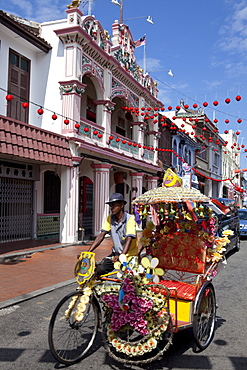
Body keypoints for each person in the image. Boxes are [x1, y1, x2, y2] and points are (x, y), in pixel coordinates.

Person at [88, 193, 138, 276]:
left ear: (121, 205)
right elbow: (101, 235)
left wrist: (122, 256)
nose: (111, 208)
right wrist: (88, 252)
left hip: (129, 256)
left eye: (114, 205)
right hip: (116, 254)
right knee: (100, 269)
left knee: (128, 278)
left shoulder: (130, 219)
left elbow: (129, 239)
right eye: (110, 206)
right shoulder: (110, 218)